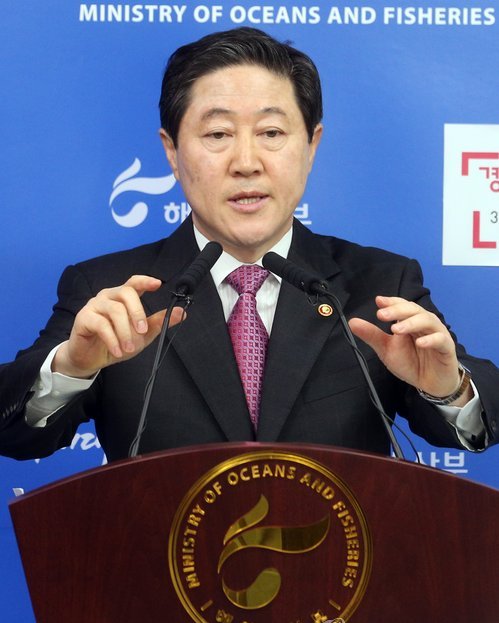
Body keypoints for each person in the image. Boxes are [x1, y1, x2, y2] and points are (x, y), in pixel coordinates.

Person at [1, 26, 498, 465]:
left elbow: (480, 417)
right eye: (218, 133)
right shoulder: (110, 291)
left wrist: (449, 388)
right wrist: (71, 369)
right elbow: (14, 431)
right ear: (172, 152)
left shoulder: (381, 284)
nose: (246, 162)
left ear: (311, 146)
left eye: (271, 132)